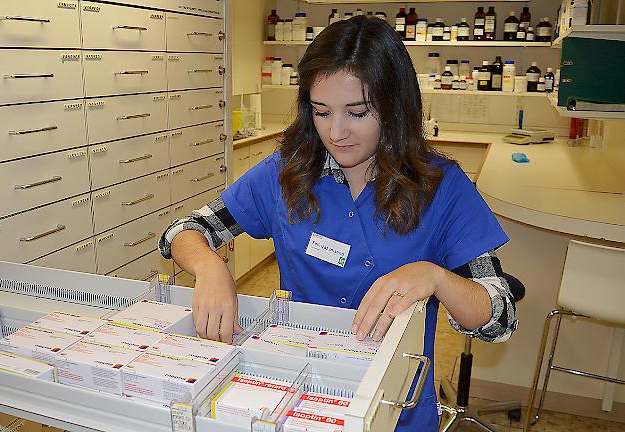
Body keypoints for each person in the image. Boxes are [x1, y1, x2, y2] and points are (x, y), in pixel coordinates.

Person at [159, 15, 517, 431]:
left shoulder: (441, 187)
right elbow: (182, 232)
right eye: (321, 112)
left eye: (357, 112)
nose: (336, 132)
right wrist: (209, 266)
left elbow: (500, 317)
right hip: (297, 400)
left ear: (394, 107)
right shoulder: (287, 173)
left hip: (394, 408)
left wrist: (436, 277)